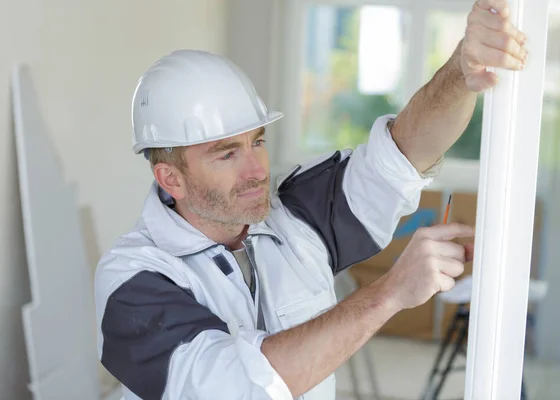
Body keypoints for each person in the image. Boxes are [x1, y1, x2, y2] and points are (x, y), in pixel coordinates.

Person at [94, 1, 527, 399]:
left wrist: (461, 70)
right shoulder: (133, 280)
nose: (257, 170)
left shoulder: (296, 215)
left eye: (257, 141)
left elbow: (402, 154)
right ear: (171, 178)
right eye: (227, 153)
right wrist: (391, 292)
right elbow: (237, 388)